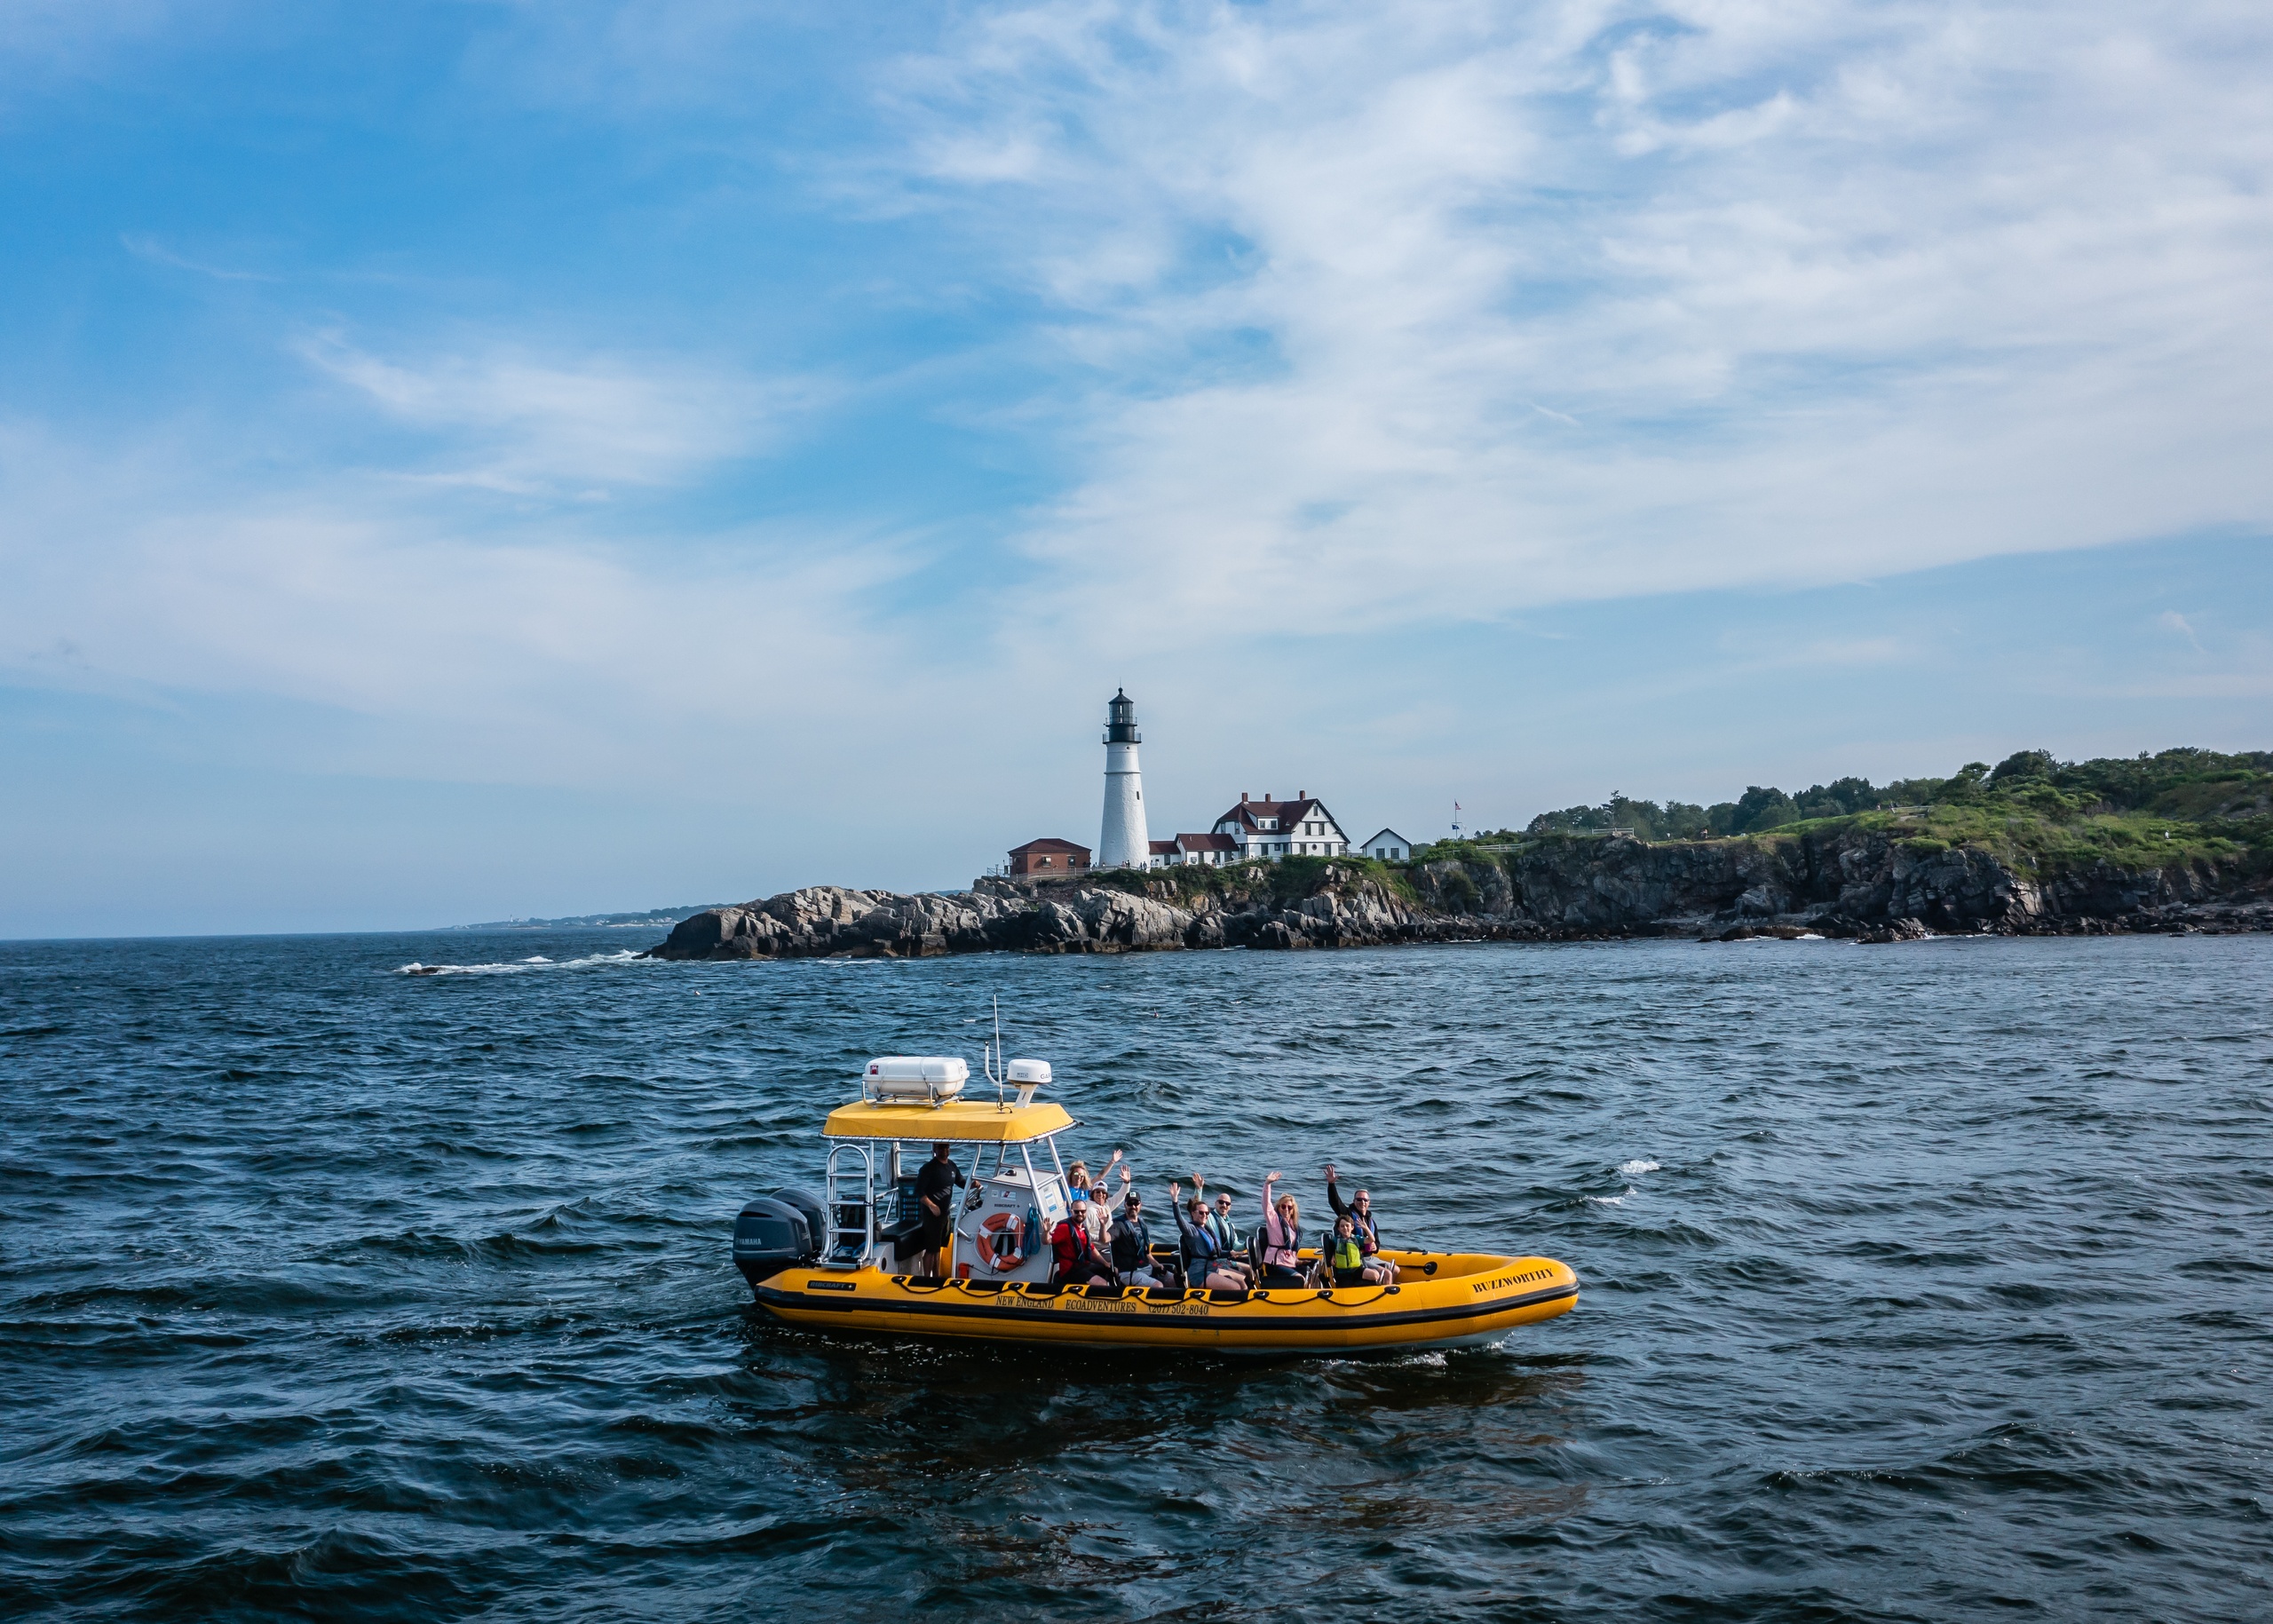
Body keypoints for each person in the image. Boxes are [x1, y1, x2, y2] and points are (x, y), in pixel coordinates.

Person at [1325, 1163, 1398, 1284]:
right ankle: (1383, 1296)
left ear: (1369, 1203)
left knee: (1396, 1270)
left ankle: (1380, 1290)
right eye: (1359, 1199)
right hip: (1359, 1258)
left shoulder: (1371, 1221)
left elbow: (1377, 1243)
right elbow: (1335, 1203)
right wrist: (1331, 1184)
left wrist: (1376, 1247)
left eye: (1365, 1200)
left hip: (1371, 1257)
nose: (1362, 1202)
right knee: (1387, 1273)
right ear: (1354, 1201)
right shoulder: (1348, 1215)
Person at [1169, 1184, 1249, 1290]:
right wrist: (1175, 1201)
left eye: (1207, 1213)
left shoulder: (1207, 1230)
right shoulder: (1191, 1230)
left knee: (1242, 1282)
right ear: (1193, 1213)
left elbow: (1215, 1252)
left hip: (1213, 1267)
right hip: (1199, 1272)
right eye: (1201, 1213)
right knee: (1235, 1287)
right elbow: (1179, 1220)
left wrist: (1231, 1253)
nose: (1205, 1215)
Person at [913, 1141, 963, 1279]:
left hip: (945, 1215)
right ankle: (927, 1279)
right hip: (931, 1216)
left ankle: (937, 1276)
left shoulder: (952, 1166)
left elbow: (961, 1182)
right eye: (941, 1147)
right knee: (931, 1250)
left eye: (946, 1146)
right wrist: (932, 1206)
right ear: (934, 1149)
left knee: (937, 1248)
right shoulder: (928, 1169)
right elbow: (919, 1192)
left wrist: (974, 1184)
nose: (944, 1150)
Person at [1050, 1189, 1118, 1287]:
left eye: (1083, 1211)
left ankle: (1118, 1295)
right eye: (1077, 1212)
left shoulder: (1083, 1228)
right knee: (1102, 1284)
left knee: (1113, 1270)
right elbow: (1048, 1241)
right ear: (1071, 1212)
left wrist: (1105, 1263)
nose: (1080, 1214)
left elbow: (1092, 1248)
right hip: (1070, 1270)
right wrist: (1046, 1232)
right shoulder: (1064, 1228)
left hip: (1084, 1265)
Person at [1257, 1171, 1307, 1288]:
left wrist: (1297, 1260)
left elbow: (1291, 1249)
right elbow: (1266, 1204)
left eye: (1289, 1207)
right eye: (1283, 1206)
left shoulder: (1293, 1226)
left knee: (1313, 1269)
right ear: (1279, 1208)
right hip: (1276, 1264)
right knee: (1300, 1279)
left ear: (1293, 1210)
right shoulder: (1273, 1220)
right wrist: (1267, 1184)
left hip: (1290, 1263)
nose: (1286, 1209)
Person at [1109, 1187, 1163, 1287]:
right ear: (1125, 1205)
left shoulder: (1142, 1224)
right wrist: (1103, 1225)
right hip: (1129, 1271)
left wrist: (1157, 1264)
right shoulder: (1118, 1225)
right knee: (1158, 1285)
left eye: (1136, 1204)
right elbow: (1105, 1238)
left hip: (1145, 1267)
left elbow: (1147, 1253)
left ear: (1140, 1205)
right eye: (1130, 1204)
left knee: (1172, 1279)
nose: (1133, 1206)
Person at [1325, 1214, 1368, 1287]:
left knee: (1375, 1275)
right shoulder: (1335, 1240)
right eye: (1342, 1226)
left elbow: (1371, 1239)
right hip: (1343, 1273)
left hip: (1356, 1269)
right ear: (1338, 1228)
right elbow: (1332, 1249)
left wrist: (1365, 1228)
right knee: (1346, 1284)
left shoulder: (1356, 1239)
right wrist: (1333, 1256)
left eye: (1347, 1226)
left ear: (1352, 1227)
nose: (1345, 1228)